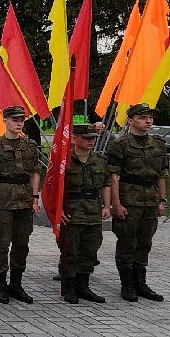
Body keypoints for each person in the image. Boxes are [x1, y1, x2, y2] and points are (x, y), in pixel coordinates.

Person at [106, 103, 168, 302]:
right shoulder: (120, 144)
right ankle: (127, 285)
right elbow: (113, 176)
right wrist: (116, 203)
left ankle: (141, 283)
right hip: (129, 199)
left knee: (145, 243)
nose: (148, 121)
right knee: (127, 242)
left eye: (150, 117)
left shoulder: (157, 144)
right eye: (142, 117)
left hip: (149, 199)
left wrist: (162, 200)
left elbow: (161, 174)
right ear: (130, 120)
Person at [0, 105, 40, 304]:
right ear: (4, 120)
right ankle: (0, 284)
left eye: (21, 120)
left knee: (21, 245)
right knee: (2, 244)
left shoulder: (30, 146)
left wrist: (35, 198)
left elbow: (34, 173)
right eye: (15, 120)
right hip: (4, 200)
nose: (19, 123)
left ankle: (16, 284)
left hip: (24, 200)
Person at [59, 124, 111, 304]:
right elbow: (54, 188)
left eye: (93, 138)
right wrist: (58, 210)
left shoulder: (99, 160)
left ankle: (83, 286)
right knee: (70, 251)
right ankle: (70, 288)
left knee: (90, 250)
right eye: (87, 138)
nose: (91, 141)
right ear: (75, 138)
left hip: (93, 210)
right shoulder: (65, 161)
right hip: (73, 211)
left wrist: (106, 206)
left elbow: (106, 184)